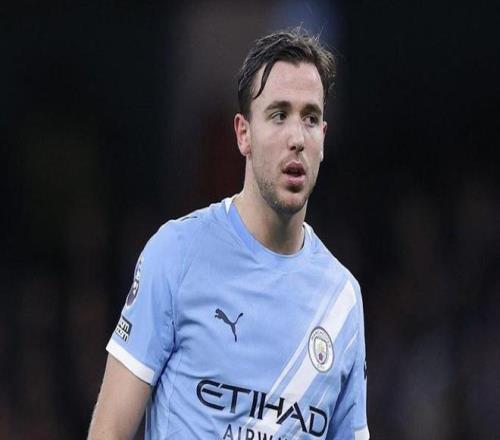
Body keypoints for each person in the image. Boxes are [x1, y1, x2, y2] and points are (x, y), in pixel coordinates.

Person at [88, 27, 369, 440]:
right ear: (243, 134)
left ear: (323, 139)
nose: (296, 138)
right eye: (279, 115)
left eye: (310, 118)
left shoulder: (342, 298)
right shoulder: (176, 254)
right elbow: (109, 430)